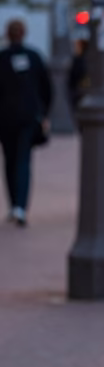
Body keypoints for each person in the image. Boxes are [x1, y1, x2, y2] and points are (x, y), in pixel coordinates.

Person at [0, 19, 53, 227]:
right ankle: (20, 207)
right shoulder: (34, 57)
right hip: (29, 117)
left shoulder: (2, 58)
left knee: (9, 160)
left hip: (5, 118)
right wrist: (44, 113)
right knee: (23, 160)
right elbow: (46, 88)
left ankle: (14, 205)